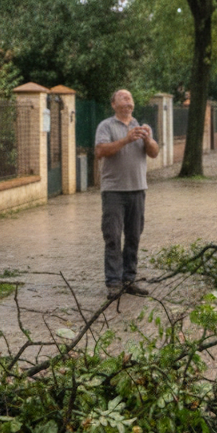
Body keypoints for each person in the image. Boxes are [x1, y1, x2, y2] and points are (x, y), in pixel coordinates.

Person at [94, 88, 159, 299]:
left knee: (133, 236)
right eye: (123, 98)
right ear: (114, 104)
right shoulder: (106, 126)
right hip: (114, 191)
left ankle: (129, 280)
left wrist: (147, 140)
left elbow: (154, 153)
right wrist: (126, 139)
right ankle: (113, 283)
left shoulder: (141, 127)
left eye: (130, 98)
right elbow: (100, 151)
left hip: (138, 189)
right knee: (112, 236)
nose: (128, 101)